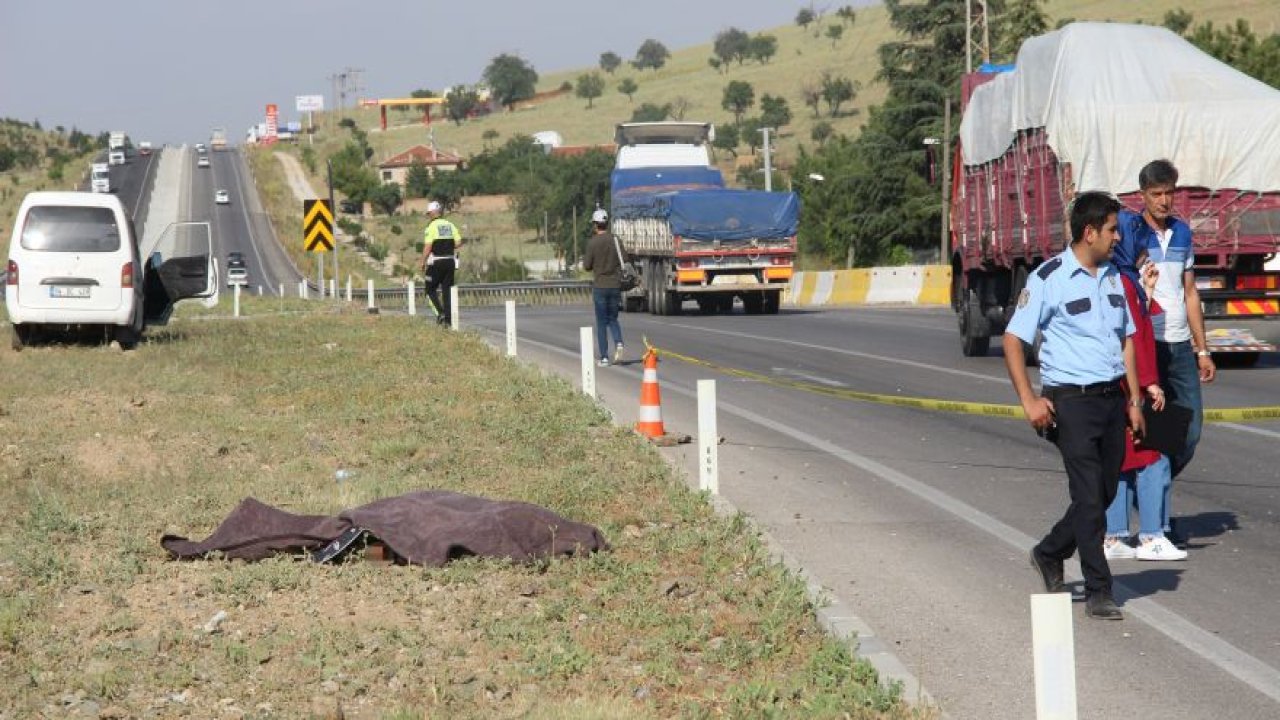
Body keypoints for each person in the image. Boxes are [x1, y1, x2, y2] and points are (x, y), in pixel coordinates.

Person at [1005, 191, 1145, 621]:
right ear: (1089, 232)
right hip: (1071, 402)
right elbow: (1014, 340)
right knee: (1087, 495)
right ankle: (1100, 589)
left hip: (1110, 399)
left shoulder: (1114, 279)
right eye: (1111, 230)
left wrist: (1135, 401)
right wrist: (1030, 399)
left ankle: (1049, 552)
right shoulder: (1049, 278)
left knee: (1101, 494)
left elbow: (1127, 342)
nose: (1117, 237)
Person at [1118, 160, 1215, 545]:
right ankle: (1156, 521)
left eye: (1168, 193)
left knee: (1189, 431)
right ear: (1142, 195)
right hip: (1145, 343)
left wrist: (1202, 349)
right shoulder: (1130, 232)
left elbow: (1190, 293)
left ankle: (1151, 495)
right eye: (1156, 194)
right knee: (1151, 435)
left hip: (1178, 346)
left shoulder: (1182, 233)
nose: (1163, 200)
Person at [1102, 242, 1188, 562]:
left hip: (1122, 384)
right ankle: (1152, 534)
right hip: (1135, 385)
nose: (1145, 256)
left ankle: (1115, 535)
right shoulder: (1123, 284)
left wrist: (1147, 291)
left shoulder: (1120, 281)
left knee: (1123, 458)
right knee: (1154, 458)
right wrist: (1149, 384)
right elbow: (1134, 339)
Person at [580, 207, 625, 367]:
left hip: (600, 286)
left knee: (601, 322)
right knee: (613, 318)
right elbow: (624, 261)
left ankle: (604, 357)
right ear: (606, 224)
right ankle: (619, 342)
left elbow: (586, 266)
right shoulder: (615, 240)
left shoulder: (592, 243)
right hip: (615, 286)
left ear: (595, 225)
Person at [420, 200, 463, 326]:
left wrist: (422, 261)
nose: (428, 216)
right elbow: (458, 242)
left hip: (436, 262)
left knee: (429, 289)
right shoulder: (450, 224)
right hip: (450, 262)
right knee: (447, 290)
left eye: (428, 214)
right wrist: (448, 246)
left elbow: (428, 247)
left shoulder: (431, 227)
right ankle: (448, 320)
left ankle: (440, 314)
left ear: (432, 213)